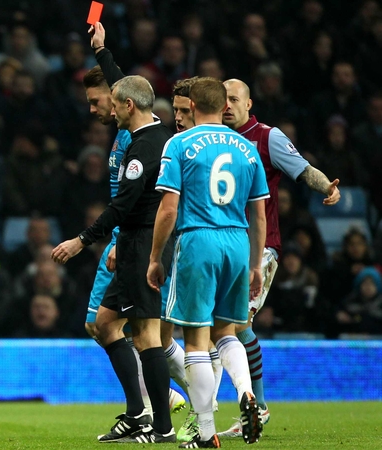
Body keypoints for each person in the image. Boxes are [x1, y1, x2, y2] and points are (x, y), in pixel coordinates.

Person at [52, 75, 176, 443]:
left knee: (147, 335)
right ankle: (138, 414)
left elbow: (122, 206)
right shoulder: (155, 132)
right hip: (134, 243)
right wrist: (101, 50)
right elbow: (126, 83)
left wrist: (81, 241)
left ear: (128, 105)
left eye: (112, 103)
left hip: (141, 243)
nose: (107, 109)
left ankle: (163, 427)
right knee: (104, 324)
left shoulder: (142, 149)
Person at [148, 77, 270, 448]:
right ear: (224, 106)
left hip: (198, 239)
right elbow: (259, 214)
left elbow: (169, 209)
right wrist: (255, 264)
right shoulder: (247, 148)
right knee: (227, 332)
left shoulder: (179, 143)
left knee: (196, 341)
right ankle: (247, 392)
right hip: (238, 241)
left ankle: (204, 431)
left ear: (192, 105)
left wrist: (155, 257)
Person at [216, 78, 341, 438]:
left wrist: (327, 187)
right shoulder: (212, 137)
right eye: (222, 99)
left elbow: (302, 168)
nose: (227, 105)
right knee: (224, 328)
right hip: (220, 246)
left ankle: (257, 405)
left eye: (234, 99)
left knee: (237, 324)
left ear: (249, 104)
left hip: (260, 247)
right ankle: (240, 405)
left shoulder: (267, 137)